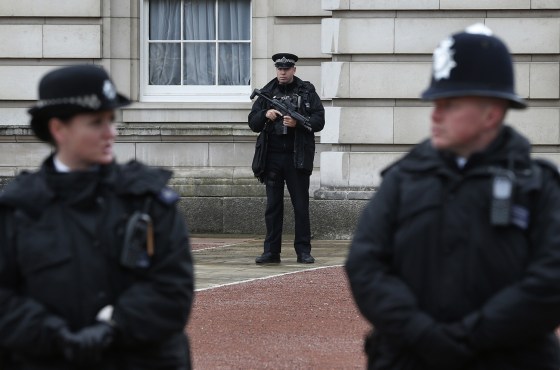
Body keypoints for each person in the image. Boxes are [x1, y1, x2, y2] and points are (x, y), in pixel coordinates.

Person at [345, 23, 560, 370]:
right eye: (435, 102)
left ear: (491, 113)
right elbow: (366, 266)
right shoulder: (402, 179)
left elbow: (551, 281)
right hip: (409, 358)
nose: (434, 114)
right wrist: (423, 335)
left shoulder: (539, 186)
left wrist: (472, 337)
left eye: (449, 104)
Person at [0, 65, 194, 369]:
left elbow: (173, 288)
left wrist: (112, 326)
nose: (110, 133)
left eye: (111, 120)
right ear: (58, 129)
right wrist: (55, 335)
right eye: (95, 123)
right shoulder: (18, 207)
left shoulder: (147, 200)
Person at [248, 53, 325, 264]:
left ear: (294, 70)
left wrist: (297, 124)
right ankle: (271, 252)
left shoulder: (307, 91)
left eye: (286, 69)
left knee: (301, 205)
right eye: (279, 69)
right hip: (272, 157)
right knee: (273, 206)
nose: (282, 72)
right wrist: (266, 115)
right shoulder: (266, 93)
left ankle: (303, 251)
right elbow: (252, 123)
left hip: (296, 157)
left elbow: (319, 120)